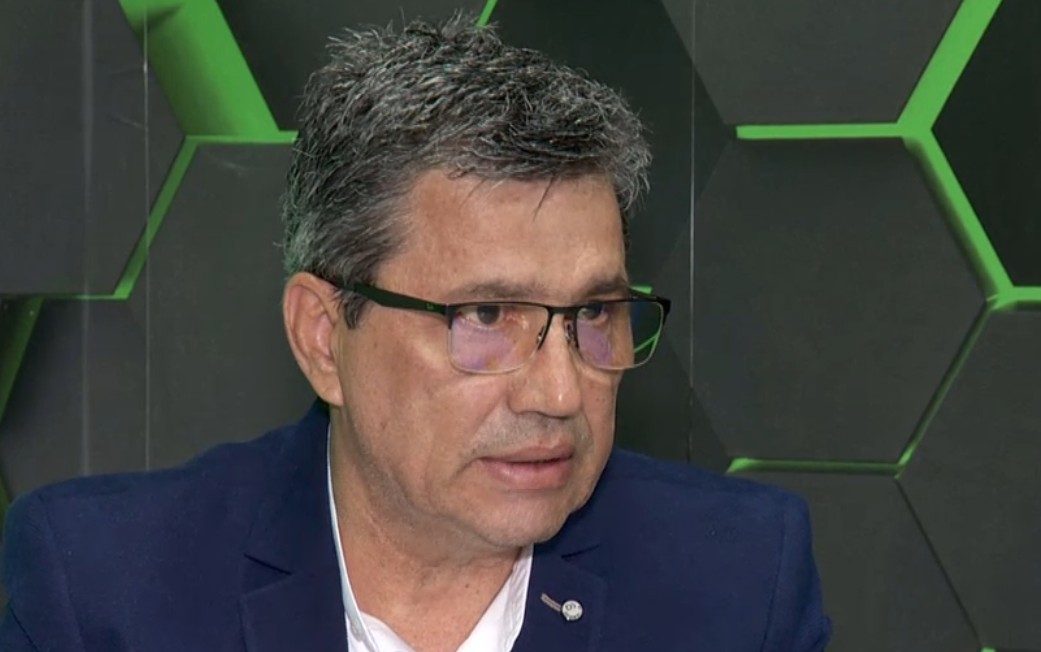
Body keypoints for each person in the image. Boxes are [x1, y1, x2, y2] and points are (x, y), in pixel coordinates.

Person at [0, 14, 830, 652]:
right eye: (486, 316)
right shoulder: (103, 592)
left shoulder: (738, 583)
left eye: (591, 315)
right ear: (322, 337)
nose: (559, 392)